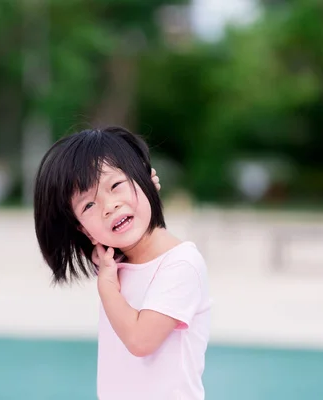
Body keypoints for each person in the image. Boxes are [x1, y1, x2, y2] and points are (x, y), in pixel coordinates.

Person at [33, 126, 211, 400]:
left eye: (115, 186)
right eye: (88, 206)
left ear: (146, 179)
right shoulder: (112, 263)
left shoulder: (181, 264)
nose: (109, 205)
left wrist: (106, 288)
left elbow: (141, 340)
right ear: (84, 230)